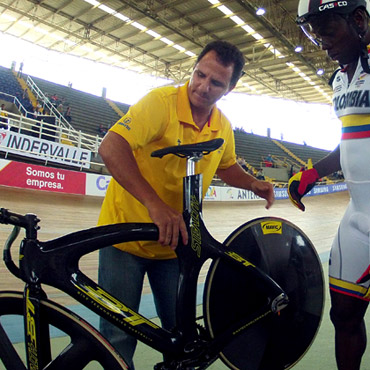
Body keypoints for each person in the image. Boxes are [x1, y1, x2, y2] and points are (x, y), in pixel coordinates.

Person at [97, 40, 275, 368]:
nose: (204, 87)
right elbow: (110, 147)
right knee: (118, 336)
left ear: (230, 88)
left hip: (174, 246)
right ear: (193, 70)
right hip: (125, 239)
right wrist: (155, 205)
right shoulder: (159, 103)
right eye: (200, 75)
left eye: (216, 82)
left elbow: (225, 164)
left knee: (181, 339)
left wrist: (252, 183)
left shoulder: (222, 125)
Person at [288, 2, 370, 369]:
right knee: (345, 316)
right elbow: (351, 140)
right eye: (314, 34)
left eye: (326, 31)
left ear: (358, 20)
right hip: (359, 216)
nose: (321, 43)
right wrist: (311, 174)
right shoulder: (340, 78)